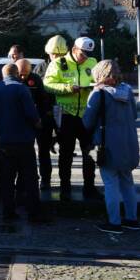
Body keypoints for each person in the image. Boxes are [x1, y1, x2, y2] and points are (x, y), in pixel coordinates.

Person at [83, 60, 140, 234]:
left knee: (110, 184)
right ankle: (132, 219)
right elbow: (134, 115)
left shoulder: (99, 94)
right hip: (129, 144)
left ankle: (114, 222)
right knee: (128, 183)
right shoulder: (128, 91)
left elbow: (87, 122)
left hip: (108, 145)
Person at [0, 63, 47, 222]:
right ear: (17, 73)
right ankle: (34, 213)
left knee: (7, 178)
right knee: (30, 178)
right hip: (24, 140)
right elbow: (31, 113)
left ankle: (8, 213)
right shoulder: (21, 89)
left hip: (4, 141)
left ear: (3, 74)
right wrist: (38, 123)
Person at [44, 36, 100, 200]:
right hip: (66, 115)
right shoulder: (58, 64)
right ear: (74, 50)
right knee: (66, 154)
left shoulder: (92, 62)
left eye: (88, 54)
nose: (85, 58)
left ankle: (89, 187)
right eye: (83, 54)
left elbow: (98, 79)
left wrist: (95, 85)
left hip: (86, 114)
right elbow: (48, 85)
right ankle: (65, 188)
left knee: (89, 153)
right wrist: (67, 88)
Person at [17, 58, 55, 194]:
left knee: (43, 151)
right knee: (24, 153)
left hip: (38, 121)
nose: (22, 77)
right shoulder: (12, 81)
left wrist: (42, 119)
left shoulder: (36, 79)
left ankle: (46, 180)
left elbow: (44, 100)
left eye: (25, 74)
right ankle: (25, 181)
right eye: (20, 74)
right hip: (21, 123)